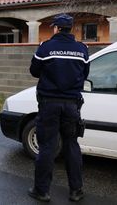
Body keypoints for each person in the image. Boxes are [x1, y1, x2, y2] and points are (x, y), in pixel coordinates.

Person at [28, 14, 89, 202]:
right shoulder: (82, 49)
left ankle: (42, 191)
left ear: (56, 28)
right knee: (71, 145)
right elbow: (85, 73)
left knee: (47, 146)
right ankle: (76, 190)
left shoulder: (46, 47)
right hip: (72, 104)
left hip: (49, 103)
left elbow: (34, 71)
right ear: (70, 29)